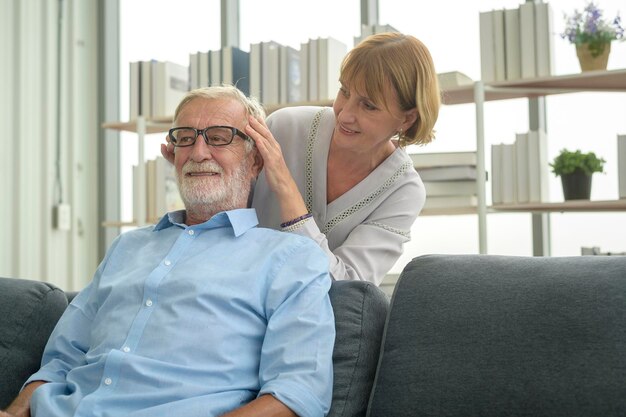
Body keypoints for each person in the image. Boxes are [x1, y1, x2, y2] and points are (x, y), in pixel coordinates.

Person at [2, 86, 335, 417]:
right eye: (185, 138)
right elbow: (61, 358)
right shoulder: (126, 247)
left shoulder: (292, 258)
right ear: (172, 153)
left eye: (219, 137)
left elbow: (297, 393)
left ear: (256, 159)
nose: (199, 152)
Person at [162, 32, 441, 286]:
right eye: (344, 91)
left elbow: (347, 286)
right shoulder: (285, 126)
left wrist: (285, 187)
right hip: (235, 286)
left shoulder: (403, 191)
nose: (344, 114)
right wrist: (197, 168)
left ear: (407, 118)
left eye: (368, 105)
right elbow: (224, 213)